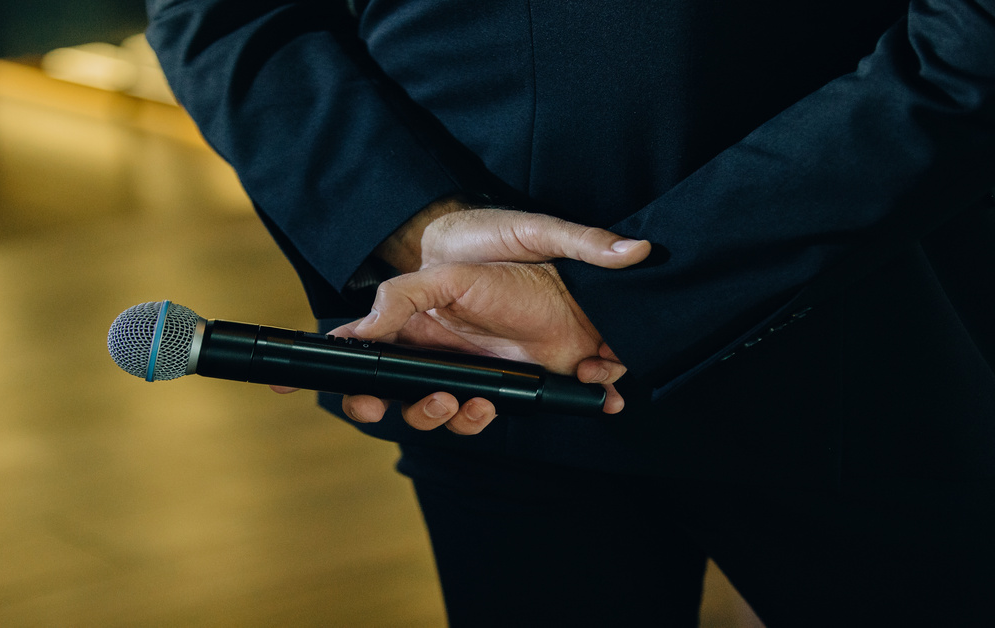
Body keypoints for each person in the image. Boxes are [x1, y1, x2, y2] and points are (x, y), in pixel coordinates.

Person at [145, 0, 995, 624]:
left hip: (873, 342)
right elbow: (220, 13)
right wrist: (413, 225)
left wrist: (622, 294)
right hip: (479, 375)